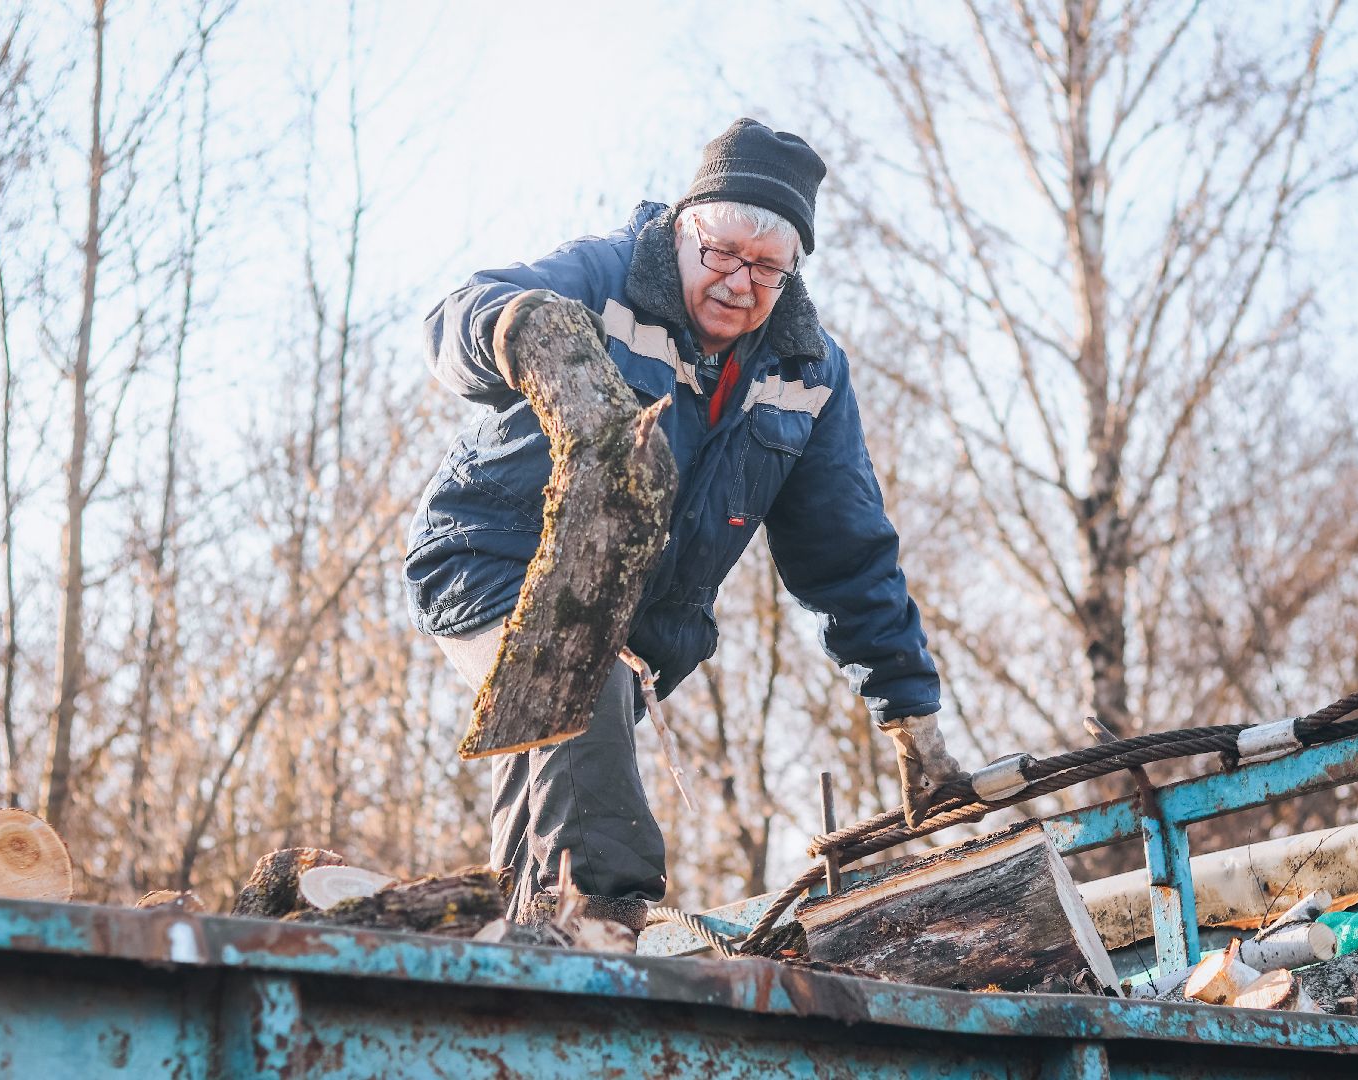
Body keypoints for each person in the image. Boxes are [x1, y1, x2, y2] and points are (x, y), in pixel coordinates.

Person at [405, 118, 966, 943]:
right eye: (724, 254)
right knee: (577, 674)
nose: (742, 283)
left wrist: (910, 711)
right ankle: (610, 922)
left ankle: (513, 950)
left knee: (549, 790)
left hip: (642, 626)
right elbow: (452, 318)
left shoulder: (807, 374)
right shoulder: (602, 277)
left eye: (769, 269)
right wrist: (519, 328)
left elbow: (846, 549)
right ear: (684, 228)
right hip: (489, 562)